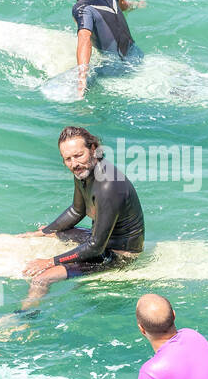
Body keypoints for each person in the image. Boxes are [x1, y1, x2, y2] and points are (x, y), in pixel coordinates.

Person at [19, 126, 145, 308]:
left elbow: (95, 247)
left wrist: (49, 262)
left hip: (118, 255)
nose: (74, 164)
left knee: (41, 279)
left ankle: (24, 319)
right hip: (101, 242)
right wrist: (44, 232)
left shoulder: (108, 186)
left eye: (78, 156)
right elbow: (77, 210)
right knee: (53, 233)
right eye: (68, 159)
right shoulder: (84, 172)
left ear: (93, 149)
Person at [61, 0, 146, 98]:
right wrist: (136, 5)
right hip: (136, 55)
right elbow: (123, 3)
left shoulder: (82, 8)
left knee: (77, 100)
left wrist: (82, 78)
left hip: (117, 67)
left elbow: (84, 37)